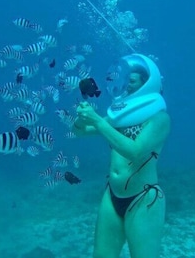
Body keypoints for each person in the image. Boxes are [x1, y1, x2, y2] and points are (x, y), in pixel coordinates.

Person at [73, 54, 170, 258]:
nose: (126, 86)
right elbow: (81, 132)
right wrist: (82, 117)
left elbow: (134, 151)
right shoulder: (121, 117)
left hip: (144, 198)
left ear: (146, 85)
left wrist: (98, 122)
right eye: (126, 81)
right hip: (112, 194)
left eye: (132, 82)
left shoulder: (160, 119)